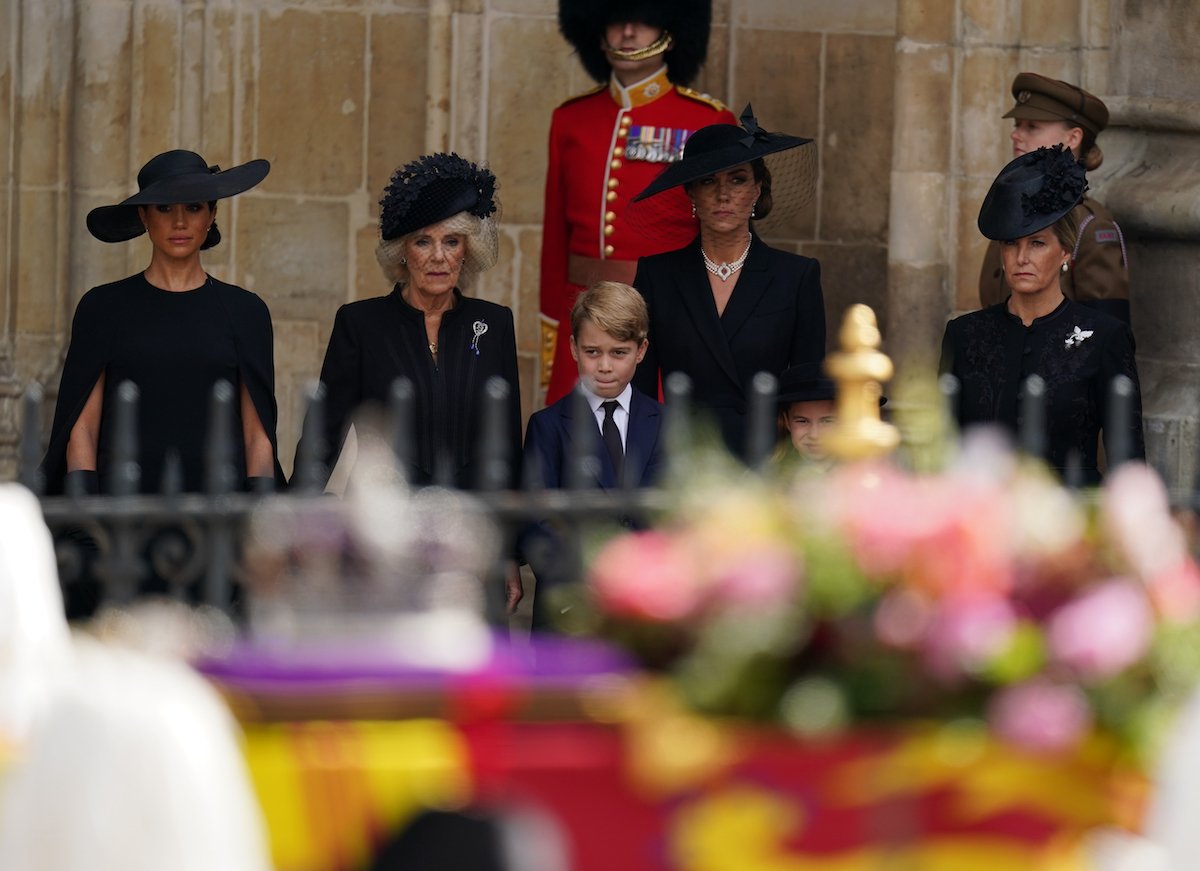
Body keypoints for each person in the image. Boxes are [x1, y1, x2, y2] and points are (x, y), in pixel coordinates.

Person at [296, 153, 523, 611]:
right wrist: (297, 524)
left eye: (452, 241)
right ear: (403, 251)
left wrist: (511, 551)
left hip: (472, 538)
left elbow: (506, 444)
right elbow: (323, 435)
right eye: (423, 242)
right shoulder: (360, 324)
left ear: (469, 249)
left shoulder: (493, 323)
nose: (438, 257)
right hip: (387, 536)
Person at [41, 149, 284, 495]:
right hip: (120, 517)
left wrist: (259, 521)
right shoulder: (103, 307)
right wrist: (89, 523)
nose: (180, 222)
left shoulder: (246, 311)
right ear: (143, 216)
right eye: (165, 207)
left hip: (217, 519)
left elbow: (257, 435)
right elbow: (82, 429)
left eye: (194, 207)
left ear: (212, 214)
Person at [539, 0, 737, 405]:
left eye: (645, 20)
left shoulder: (706, 121)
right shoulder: (571, 119)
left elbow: (722, 238)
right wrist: (554, 327)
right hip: (584, 312)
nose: (628, 32)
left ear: (670, 29)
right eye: (616, 19)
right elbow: (555, 238)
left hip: (663, 316)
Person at [629, 107, 827, 458]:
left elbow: (806, 393)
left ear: (757, 189)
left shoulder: (796, 277)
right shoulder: (657, 276)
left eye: (737, 179)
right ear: (690, 193)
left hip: (765, 464)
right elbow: (640, 392)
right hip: (681, 461)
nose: (723, 194)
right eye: (708, 181)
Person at [943, 145, 1144, 485]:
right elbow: (943, 450)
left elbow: (1129, 465)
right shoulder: (964, 335)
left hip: (1071, 522)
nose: (1021, 257)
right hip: (983, 520)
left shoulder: (1104, 338)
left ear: (1065, 250)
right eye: (1011, 244)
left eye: (1037, 243)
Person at [522, 281, 665, 628]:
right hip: (569, 608)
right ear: (573, 348)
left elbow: (674, 513)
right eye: (592, 351)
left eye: (618, 352)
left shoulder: (667, 422)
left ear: (641, 350)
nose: (604, 366)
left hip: (648, 609)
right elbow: (537, 522)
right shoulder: (548, 425)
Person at [979, 73, 1130, 324]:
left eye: (1032, 126)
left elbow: (1107, 339)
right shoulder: (1010, 212)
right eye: (1018, 124)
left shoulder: (1091, 227)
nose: (1016, 135)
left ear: (1072, 138)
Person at [774, 362, 838, 465]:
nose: (814, 435)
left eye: (827, 421)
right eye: (802, 421)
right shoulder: (764, 476)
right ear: (787, 421)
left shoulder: (868, 476)